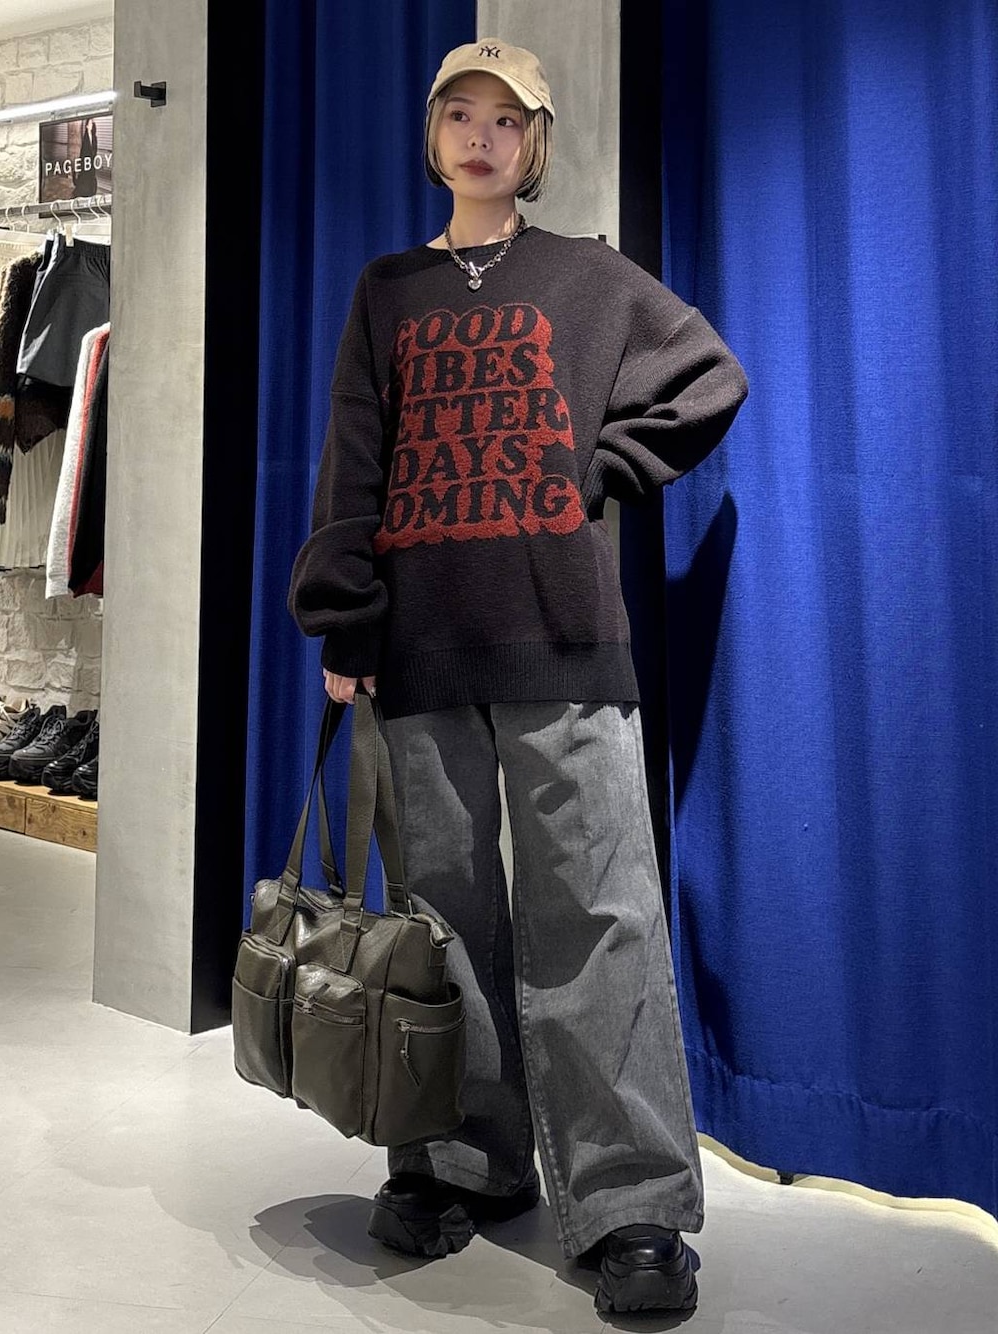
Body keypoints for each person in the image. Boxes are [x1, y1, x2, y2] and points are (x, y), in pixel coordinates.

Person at [289, 38, 748, 1317]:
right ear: (433, 134)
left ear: (534, 141)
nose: (480, 135)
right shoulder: (388, 290)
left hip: (564, 637)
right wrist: (347, 625)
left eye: (506, 117)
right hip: (422, 644)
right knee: (442, 920)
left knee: (599, 912)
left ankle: (631, 1203)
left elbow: (708, 377)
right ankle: (458, 1160)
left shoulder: (588, 277)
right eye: (459, 113)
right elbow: (354, 463)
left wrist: (601, 469)